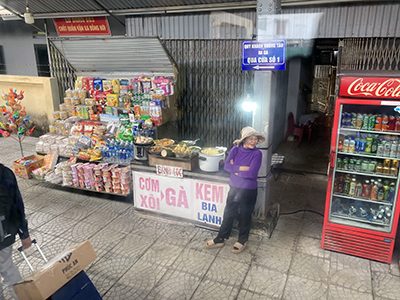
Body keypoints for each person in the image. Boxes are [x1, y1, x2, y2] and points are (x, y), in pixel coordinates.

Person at [204, 127, 265, 254]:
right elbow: (227, 166)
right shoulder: (235, 149)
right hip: (234, 188)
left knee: (245, 215)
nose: (253, 141)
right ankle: (220, 238)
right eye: (250, 138)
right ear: (244, 140)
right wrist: (242, 168)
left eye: (255, 139)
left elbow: (252, 173)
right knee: (228, 212)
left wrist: (235, 171)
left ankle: (242, 240)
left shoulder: (257, 154)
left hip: (248, 189)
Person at [0, 164, 31, 300]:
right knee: (8, 268)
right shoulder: (4, 173)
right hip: (4, 231)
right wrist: (24, 234)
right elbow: (17, 205)